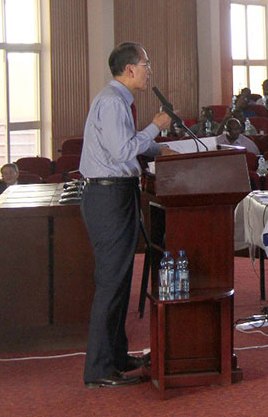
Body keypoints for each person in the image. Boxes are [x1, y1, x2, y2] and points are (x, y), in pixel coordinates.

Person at [79, 42, 175, 388]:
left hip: (116, 194)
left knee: (119, 281)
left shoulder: (118, 100)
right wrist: (155, 127)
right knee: (110, 283)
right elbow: (122, 151)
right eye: (146, 64)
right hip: (108, 196)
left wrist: (157, 147)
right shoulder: (111, 101)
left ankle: (117, 356)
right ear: (130, 69)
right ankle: (100, 370)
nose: (150, 70)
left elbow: (124, 143)